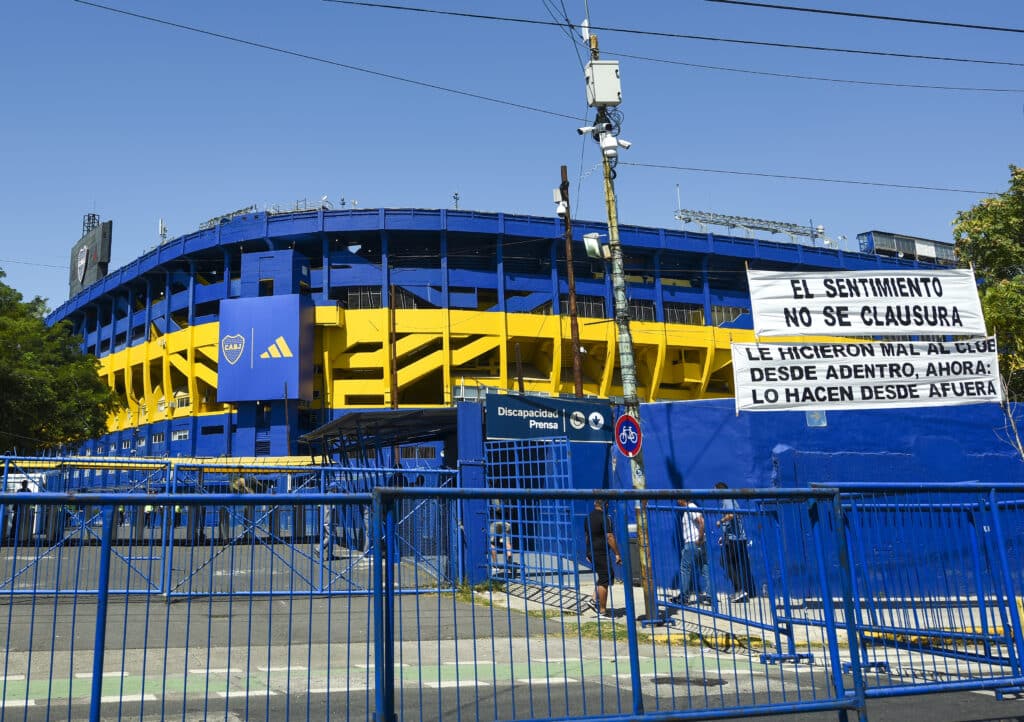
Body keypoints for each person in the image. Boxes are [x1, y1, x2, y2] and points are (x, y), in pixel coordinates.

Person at [715, 482, 756, 603]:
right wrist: (724, 535)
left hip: (734, 540)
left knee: (725, 562)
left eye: (714, 491)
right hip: (737, 538)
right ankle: (742, 591)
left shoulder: (727, 500)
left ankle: (739, 590)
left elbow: (731, 515)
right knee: (736, 565)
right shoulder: (732, 500)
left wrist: (720, 521)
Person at [585, 499, 622, 618]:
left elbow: (587, 536)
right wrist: (617, 554)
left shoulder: (588, 517)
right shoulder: (606, 518)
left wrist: (587, 552)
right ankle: (602, 611)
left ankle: (593, 599)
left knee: (605, 575)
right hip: (601, 552)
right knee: (605, 578)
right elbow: (609, 536)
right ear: (605, 504)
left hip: (592, 551)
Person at [675, 496, 712, 606]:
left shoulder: (691, 507)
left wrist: (699, 538)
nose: (677, 501)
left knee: (685, 569)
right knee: (705, 569)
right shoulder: (689, 509)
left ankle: (684, 597)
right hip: (700, 543)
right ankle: (710, 597)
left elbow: (701, 522)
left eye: (678, 499)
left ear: (682, 499)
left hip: (693, 542)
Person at [318, 486, 341, 561]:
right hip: (329, 520)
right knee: (330, 536)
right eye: (336, 489)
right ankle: (319, 549)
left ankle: (330, 555)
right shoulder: (331, 496)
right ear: (334, 489)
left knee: (329, 536)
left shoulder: (325, 495)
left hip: (326, 519)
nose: (337, 490)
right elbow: (333, 508)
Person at [489, 501, 513, 568]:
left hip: (494, 522)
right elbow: (511, 509)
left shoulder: (490, 497)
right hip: (505, 522)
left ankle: (495, 564)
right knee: (507, 543)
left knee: (492, 543)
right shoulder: (506, 497)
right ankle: (509, 558)